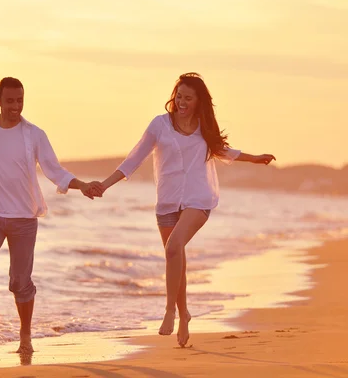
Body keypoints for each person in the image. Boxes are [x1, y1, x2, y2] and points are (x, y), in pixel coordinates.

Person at [97, 72, 275, 347]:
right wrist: (105, 185)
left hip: (198, 199)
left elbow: (224, 151)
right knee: (175, 255)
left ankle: (169, 310)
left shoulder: (204, 127)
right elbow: (134, 158)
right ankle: (184, 315)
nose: (181, 102)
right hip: (167, 200)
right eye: (179, 96)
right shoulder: (159, 125)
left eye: (188, 98)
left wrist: (255, 159)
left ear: (198, 101)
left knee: (172, 247)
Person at [0, 77, 103, 354]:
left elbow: (55, 170)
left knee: (20, 282)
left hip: (24, 217)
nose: (16, 106)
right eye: (10, 100)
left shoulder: (35, 134)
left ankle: (25, 335)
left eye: (20, 100)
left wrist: (82, 185)